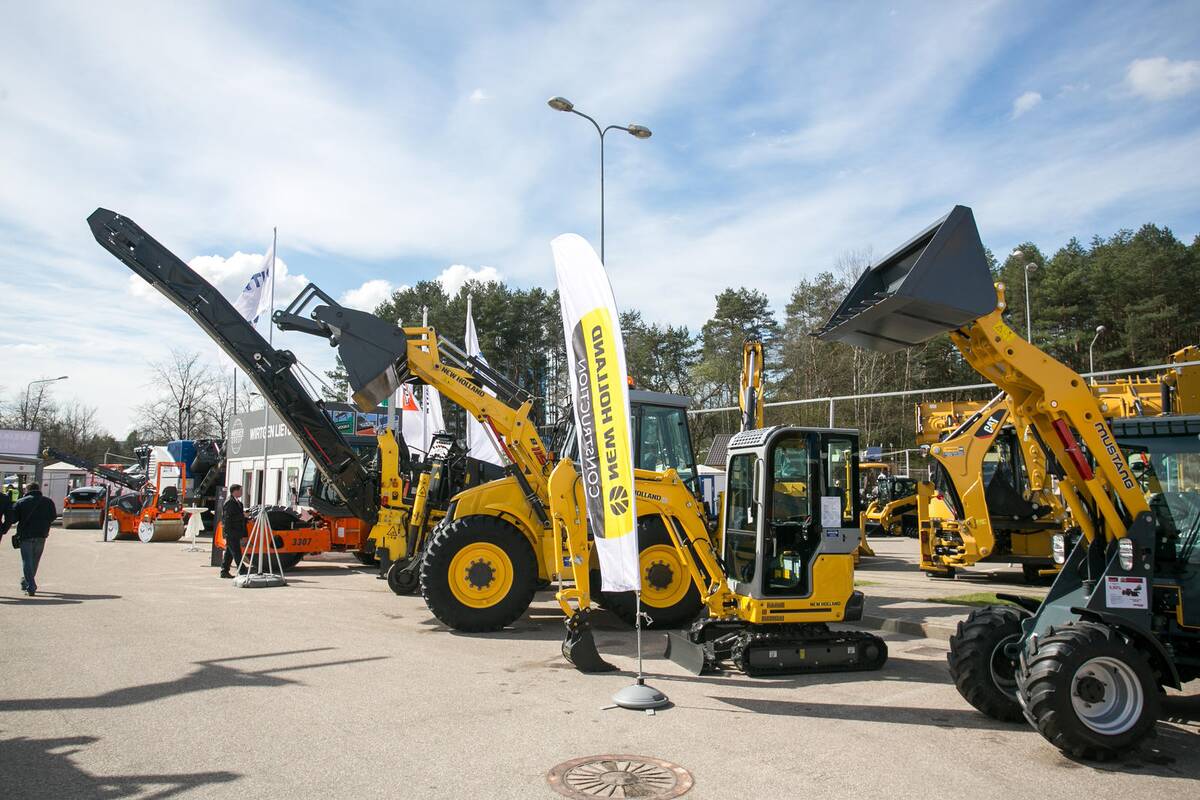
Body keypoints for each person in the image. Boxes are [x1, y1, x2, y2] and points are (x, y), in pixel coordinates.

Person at [2, 483, 57, 596]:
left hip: (25, 535)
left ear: (27, 490)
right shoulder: (48, 502)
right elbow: (53, 517)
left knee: (27, 561)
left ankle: (30, 586)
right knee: (35, 560)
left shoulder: (21, 502)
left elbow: (13, 519)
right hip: (42, 534)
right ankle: (27, 582)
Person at [219, 484, 247, 579]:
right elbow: (228, 518)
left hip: (236, 531)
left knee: (229, 552)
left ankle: (224, 571)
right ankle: (242, 570)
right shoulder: (230, 502)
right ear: (235, 491)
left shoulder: (238, 502)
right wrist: (243, 515)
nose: (242, 492)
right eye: (240, 490)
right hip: (231, 531)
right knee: (236, 552)